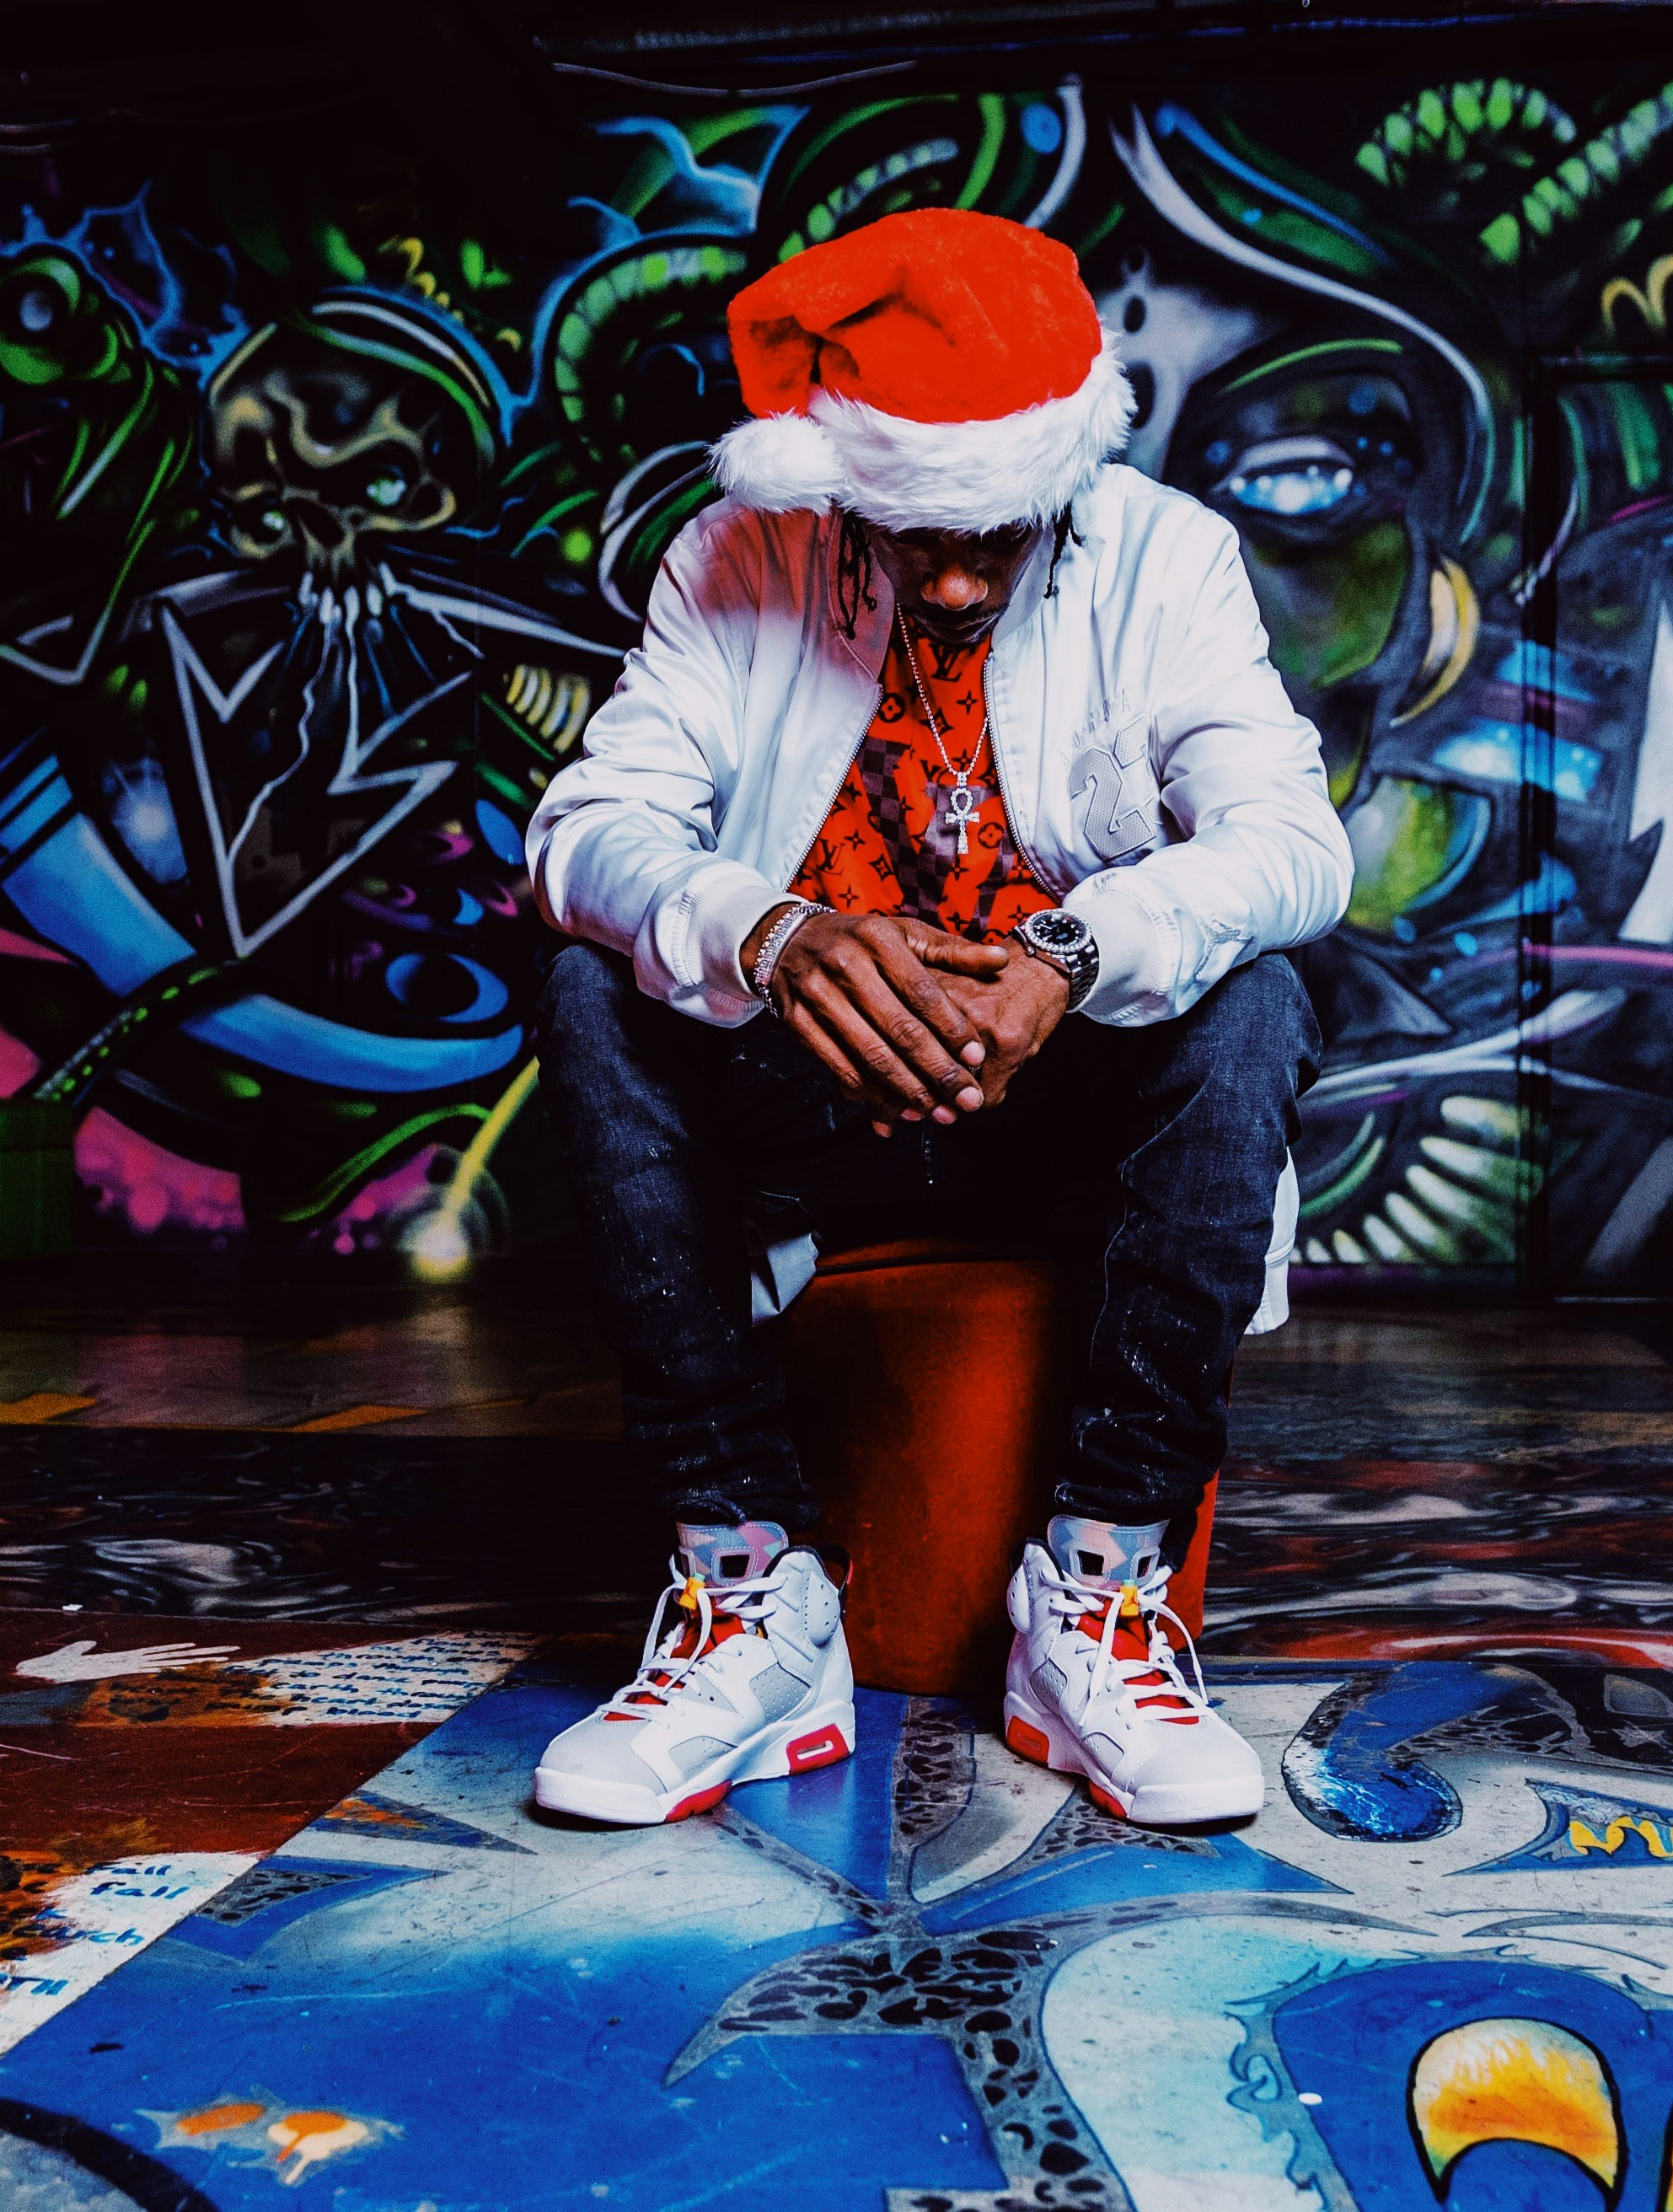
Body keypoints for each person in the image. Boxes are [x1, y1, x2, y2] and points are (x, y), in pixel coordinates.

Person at [521, 208, 1354, 1830]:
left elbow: (1291, 846)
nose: (962, 577)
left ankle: (1099, 1602)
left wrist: (1078, 950)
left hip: (1060, 1109)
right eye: (918, 536)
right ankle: (747, 1596)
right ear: (839, 482)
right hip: (816, 1115)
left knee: (1255, 995)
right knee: (581, 981)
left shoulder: (1167, 557)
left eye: (1003, 531)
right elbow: (585, 831)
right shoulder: (737, 559)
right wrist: (767, 932)